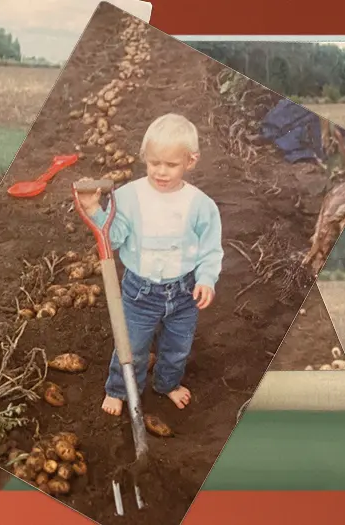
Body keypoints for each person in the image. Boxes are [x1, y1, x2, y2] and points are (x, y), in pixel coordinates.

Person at [75, 113, 224, 416]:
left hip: (185, 292)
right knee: (131, 345)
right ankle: (119, 389)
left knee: (177, 348)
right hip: (139, 291)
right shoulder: (129, 197)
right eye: (154, 163)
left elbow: (210, 248)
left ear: (190, 161)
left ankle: (167, 384)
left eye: (171, 165)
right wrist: (94, 209)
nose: (161, 171)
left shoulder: (200, 205)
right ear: (145, 158)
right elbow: (113, 238)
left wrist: (206, 279)